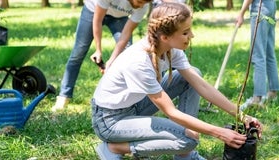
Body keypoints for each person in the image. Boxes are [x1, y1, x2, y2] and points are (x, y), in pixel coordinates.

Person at [91, 2, 263, 159]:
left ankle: (185, 157)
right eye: (185, 32)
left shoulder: (169, 49)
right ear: (165, 37)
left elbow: (201, 85)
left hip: (134, 107)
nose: (192, 35)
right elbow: (170, 112)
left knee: (192, 75)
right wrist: (219, 133)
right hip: (110, 121)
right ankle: (115, 147)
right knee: (189, 139)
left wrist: (241, 115)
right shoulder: (139, 62)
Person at [51, 0, 151, 111]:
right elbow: (97, 20)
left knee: (127, 54)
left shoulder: (144, 5)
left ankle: (126, 102)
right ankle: (64, 97)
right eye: (139, 1)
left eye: (143, 3)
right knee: (78, 52)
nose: (140, 6)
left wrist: (111, 60)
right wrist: (98, 50)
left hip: (119, 17)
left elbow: (125, 35)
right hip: (93, 10)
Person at [236, 0, 279, 109]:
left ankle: (257, 98)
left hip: (260, 10)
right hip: (270, 8)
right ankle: (273, 92)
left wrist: (241, 13)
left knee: (258, 55)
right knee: (269, 53)